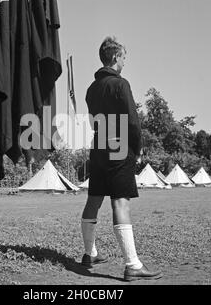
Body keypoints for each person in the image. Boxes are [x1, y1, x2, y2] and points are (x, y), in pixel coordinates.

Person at [80, 36, 162, 281]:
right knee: (120, 203)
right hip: (119, 146)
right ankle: (133, 265)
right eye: (124, 57)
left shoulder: (91, 89)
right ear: (116, 57)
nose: (125, 62)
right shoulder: (121, 84)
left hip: (99, 146)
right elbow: (132, 121)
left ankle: (89, 253)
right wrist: (136, 148)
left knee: (94, 199)